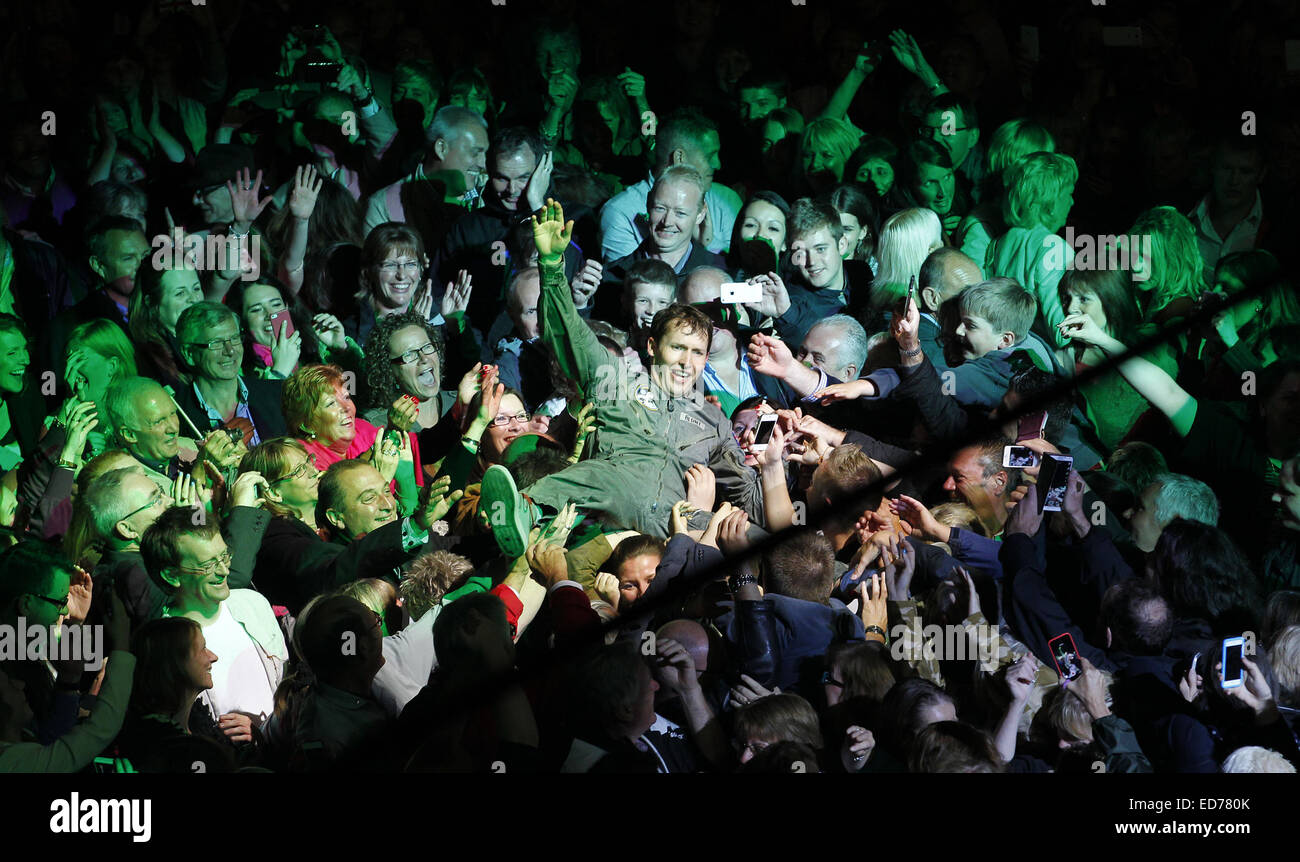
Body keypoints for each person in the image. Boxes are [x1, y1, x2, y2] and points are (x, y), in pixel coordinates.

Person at [480, 200, 764, 555]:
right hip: (612, 513)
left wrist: (771, 466)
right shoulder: (614, 381)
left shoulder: (714, 421)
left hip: (680, 526)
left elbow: (746, 494)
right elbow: (570, 334)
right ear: (651, 346)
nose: (685, 362)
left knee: (764, 541)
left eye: (696, 353)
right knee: (600, 476)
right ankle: (523, 513)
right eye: (677, 348)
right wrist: (553, 268)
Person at [599, 107, 741, 261]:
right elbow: (624, 281)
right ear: (679, 158)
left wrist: (708, 244)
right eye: (710, 156)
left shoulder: (726, 200)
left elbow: (736, 271)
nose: (717, 164)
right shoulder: (621, 212)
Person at [984, 152, 1078, 348]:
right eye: (1068, 194)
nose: (1072, 202)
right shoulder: (1054, 247)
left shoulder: (1000, 242)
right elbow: (1063, 334)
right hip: (1040, 362)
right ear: (1050, 201)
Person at [172, 302, 290, 448]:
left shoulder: (277, 393)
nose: (230, 351)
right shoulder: (176, 416)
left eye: (234, 339)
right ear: (189, 354)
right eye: (216, 343)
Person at [363, 106, 489, 233]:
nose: (483, 164)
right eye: (475, 152)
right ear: (441, 149)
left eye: (485, 153)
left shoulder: (490, 193)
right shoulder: (383, 207)